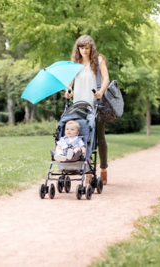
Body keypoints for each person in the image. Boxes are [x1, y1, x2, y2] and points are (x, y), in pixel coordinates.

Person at [65, 35, 110, 185]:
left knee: (100, 139)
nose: (84, 51)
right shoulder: (75, 63)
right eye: (81, 48)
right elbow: (69, 82)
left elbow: (106, 79)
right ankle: (88, 172)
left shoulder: (98, 60)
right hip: (79, 106)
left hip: (96, 104)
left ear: (91, 48)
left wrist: (101, 92)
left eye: (86, 48)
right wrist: (68, 90)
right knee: (84, 138)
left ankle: (103, 168)